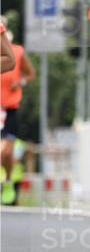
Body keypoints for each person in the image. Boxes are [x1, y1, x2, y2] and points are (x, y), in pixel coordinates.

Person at [1, 23, 36, 205]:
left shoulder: (17, 52)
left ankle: (7, 181)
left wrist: (20, 82)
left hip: (9, 108)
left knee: (6, 152)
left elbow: (30, 74)